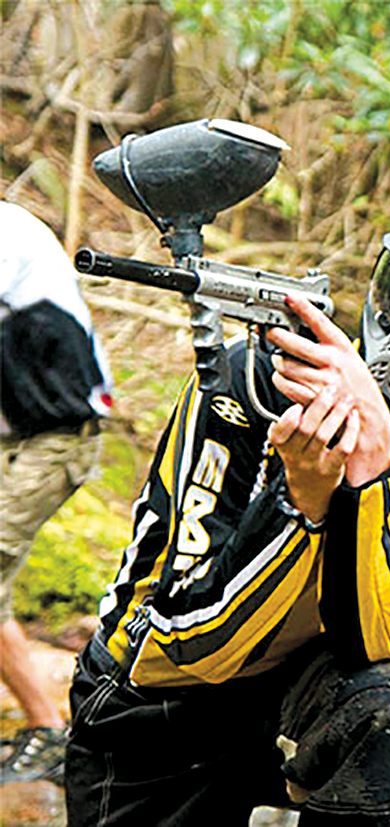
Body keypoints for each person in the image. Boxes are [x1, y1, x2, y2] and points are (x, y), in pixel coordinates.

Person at [64, 201, 390, 825]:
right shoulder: (253, 386)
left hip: (306, 698)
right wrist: (302, 500)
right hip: (155, 708)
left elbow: (383, 637)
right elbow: (182, 640)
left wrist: (367, 479)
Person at [0, 202, 113, 785]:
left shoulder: (8, 230)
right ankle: (48, 727)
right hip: (22, 437)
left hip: (54, 441)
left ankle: (53, 729)